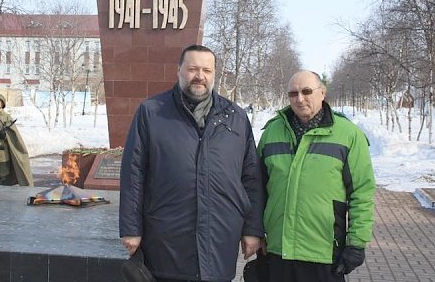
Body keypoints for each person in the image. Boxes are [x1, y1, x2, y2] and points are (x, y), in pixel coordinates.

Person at [119, 44, 264, 282]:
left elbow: (251, 178)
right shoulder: (152, 112)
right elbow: (133, 173)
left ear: (214, 74)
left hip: (221, 236)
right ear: (179, 71)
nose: (200, 76)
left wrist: (252, 229)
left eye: (207, 70)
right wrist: (131, 228)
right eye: (193, 69)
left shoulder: (236, 117)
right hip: (167, 238)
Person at [257, 70, 376, 282]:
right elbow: (257, 188)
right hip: (278, 250)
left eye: (307, 91)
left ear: (322, 93)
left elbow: (362, 193)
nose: (299, 98)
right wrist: (255, 232)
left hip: (323, 252)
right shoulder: (271, 133)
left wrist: (356, 243)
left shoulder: (348, 135)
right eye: (293, 93)